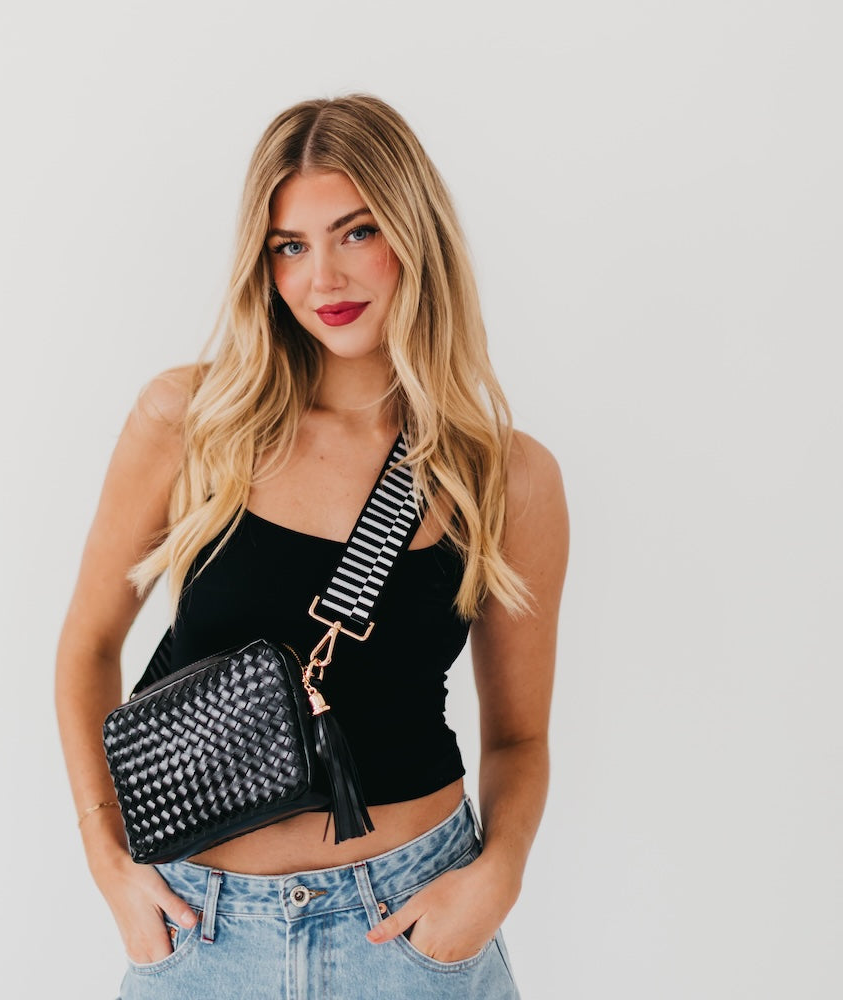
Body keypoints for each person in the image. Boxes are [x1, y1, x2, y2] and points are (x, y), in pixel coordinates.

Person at [55, 93, 569, 1000]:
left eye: (357, 232)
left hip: (410, 928)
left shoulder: (503, 476)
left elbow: (520, 738)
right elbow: (88, 647)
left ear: (416, 234)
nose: (323, 277)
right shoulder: (192, 422)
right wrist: (107, 859)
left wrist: (499, 876)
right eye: (289, 246)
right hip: (200, 932)